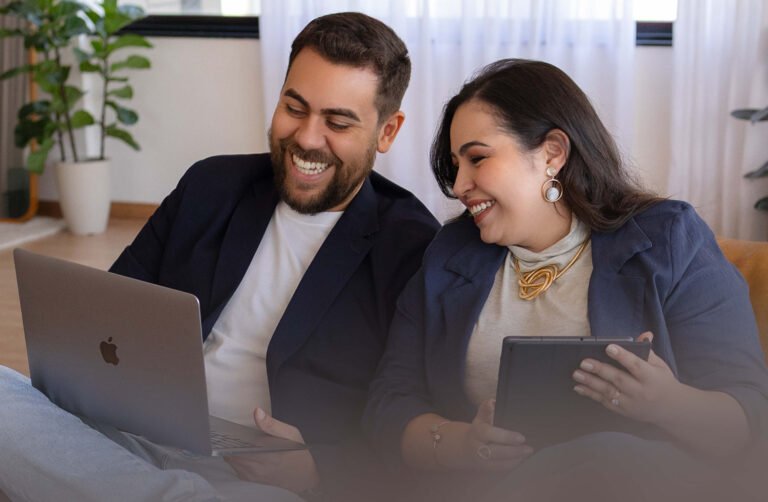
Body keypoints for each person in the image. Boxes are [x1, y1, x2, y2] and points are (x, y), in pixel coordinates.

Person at [0, 12, 439, 502]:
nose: (307, 138)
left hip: (256, 483)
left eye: (337, 122)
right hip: (130, 440)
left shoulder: (413, 249)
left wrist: (317, 468)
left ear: (387, 131)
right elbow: (110, 318)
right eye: (294, 108)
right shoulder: (211, 186)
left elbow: (406, 420)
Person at [363, 59, 768, 502]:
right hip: (488, 490)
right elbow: (389, 404)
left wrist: (667, 403)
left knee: (605, 456)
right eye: (455, 165)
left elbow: (751, 420)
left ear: (552, 153)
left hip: (638, 485)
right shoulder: (449, 255)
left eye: (477, 158)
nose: (459, 185)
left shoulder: (668, 239)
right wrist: (464, 444)